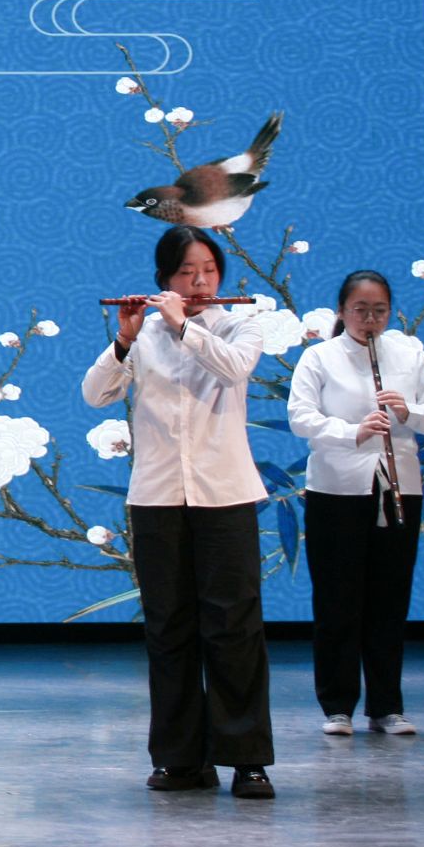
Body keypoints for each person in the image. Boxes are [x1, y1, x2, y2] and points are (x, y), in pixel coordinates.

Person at [82, 225, 275, 799]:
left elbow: (234, 369)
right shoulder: (143, 333)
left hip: (226, 493)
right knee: (168, 628)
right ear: (164, 278)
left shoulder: (239, 323)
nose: (199, 282)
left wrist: (184, 326)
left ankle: (247, 759)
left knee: (234, 626)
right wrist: (124, 339)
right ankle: (180, 758)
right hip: (158, 496)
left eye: (208, 271)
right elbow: (95, 393)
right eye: (186, 272)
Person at [287, 270, 424, 737]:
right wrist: (350, 432)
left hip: (398, 489)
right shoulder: (320, 356)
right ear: (342, 311)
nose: (370, 319)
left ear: (390, 312)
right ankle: (337, 706)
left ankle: (386, 707)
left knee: (389, 600)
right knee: (337, 600)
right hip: (336, 489)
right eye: (360, 310)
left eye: (379, 311)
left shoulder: (408, 352)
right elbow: (300, 417)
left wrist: (409, 412)